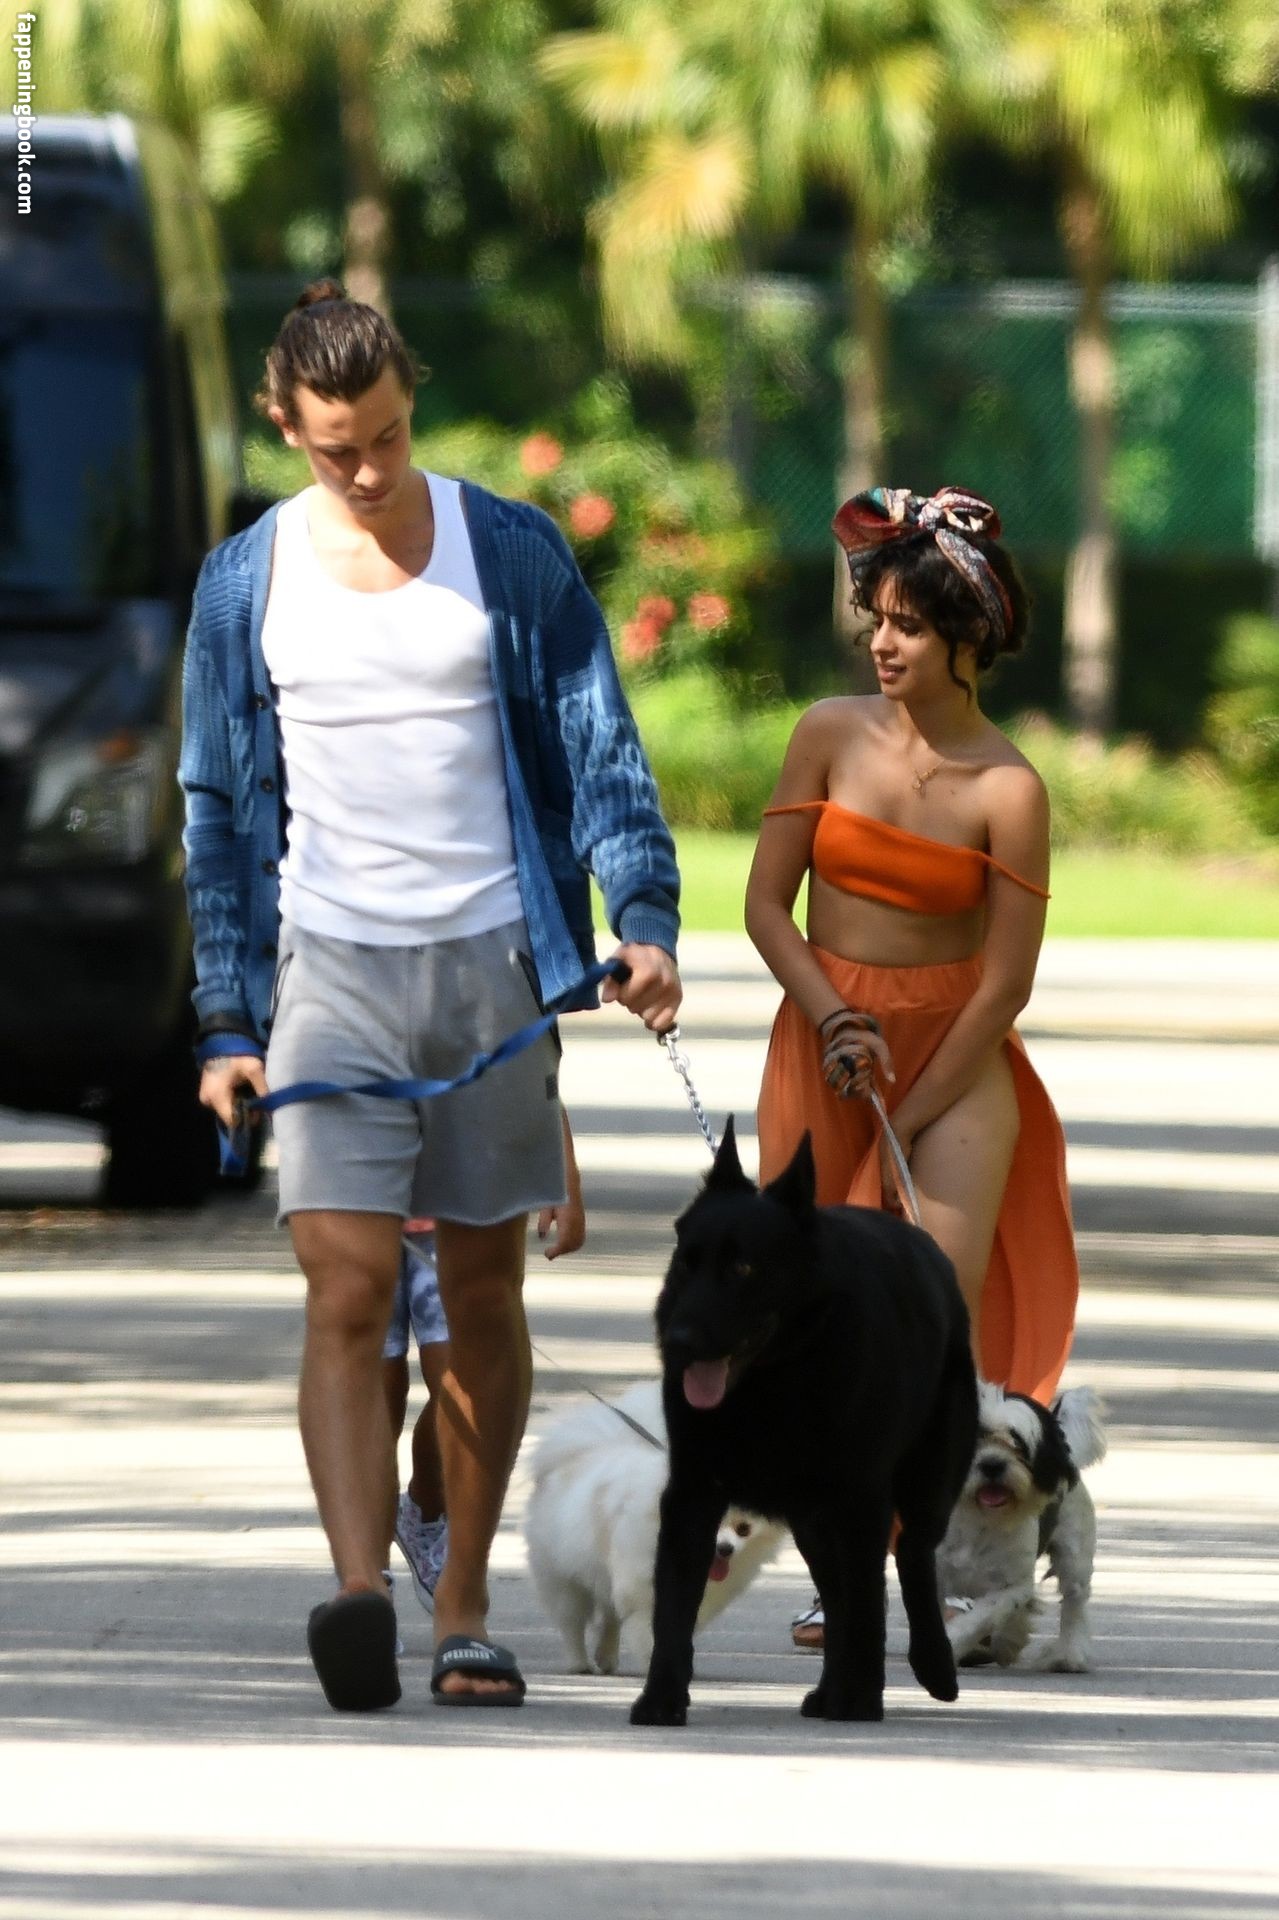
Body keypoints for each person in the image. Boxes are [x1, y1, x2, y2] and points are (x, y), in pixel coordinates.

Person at [179, 280, 681, 1711]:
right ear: (285, 424)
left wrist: (641, 918)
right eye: (336, 447)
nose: (367, 470)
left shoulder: (506, 551)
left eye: (388, 437)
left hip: (491, 963)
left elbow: (598, 745)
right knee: (345, 1287)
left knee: (477, 1291)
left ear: (411, 401)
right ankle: (357, 1592)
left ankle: (460, 1606)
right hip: (328, 967)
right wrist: (225, 1017)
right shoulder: (245, 582)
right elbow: (216, 811)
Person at [743, 486, 1079, 1648]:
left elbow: (1005, 984)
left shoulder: (1009, 789)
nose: (881, 644)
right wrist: (833, 1017)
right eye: (875, 619)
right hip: (826, 1040)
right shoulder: (826, 735)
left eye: (910, 626)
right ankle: (840, 1566)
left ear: (969, 636)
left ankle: (920, 1569)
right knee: (811, 1316)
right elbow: (764, 907)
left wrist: (917, 1112)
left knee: (927, 1322)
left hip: (957, 1056)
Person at [387, 1113, 586, 1613]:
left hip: (459, 1208)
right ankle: (365, 1576)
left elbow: (532, 1066)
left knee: (464, 1382)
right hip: (354, 1196)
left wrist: (560, 1168)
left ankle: (425, 1509)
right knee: (371, 1387)